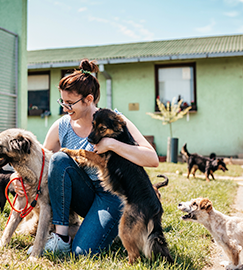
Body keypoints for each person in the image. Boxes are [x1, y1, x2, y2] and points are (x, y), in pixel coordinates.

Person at [16, 59, 159, 255]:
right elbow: (40, 163)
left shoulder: (113, 120)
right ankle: (61, 237)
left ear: (89, 99)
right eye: (62, 102)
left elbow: (152, 158)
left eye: (70, 103)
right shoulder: (62, 126)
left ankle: (108, 227)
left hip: (111, 196)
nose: (65, 107)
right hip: (81, 194)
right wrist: (18, 180)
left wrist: (112, 144)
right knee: (59, 159)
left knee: (83, 252)